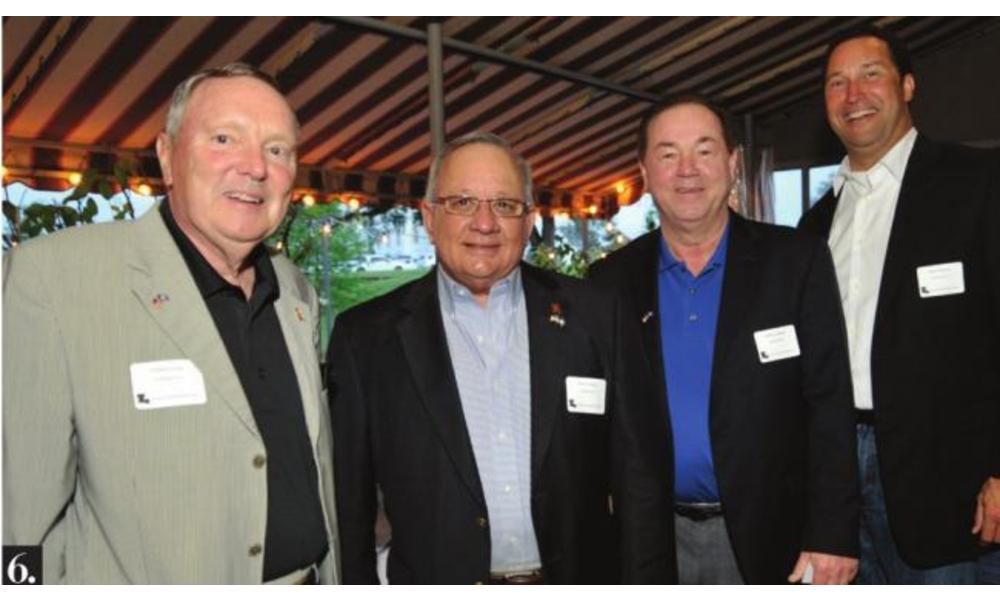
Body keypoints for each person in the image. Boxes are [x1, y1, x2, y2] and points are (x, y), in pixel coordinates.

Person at [2, 63, 339, 584]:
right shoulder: (56, 280)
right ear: (167, 156)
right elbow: (16, 517)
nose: (255, 167)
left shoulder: (295, 291)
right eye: (224, 139)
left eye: (277, 150)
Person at [328, 132, 628, 584]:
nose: (484, 223)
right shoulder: (365, 339)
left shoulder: (595, 315)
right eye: (463, 202)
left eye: (504, 205)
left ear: (528, 221)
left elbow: (637, 475)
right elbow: (351, 509)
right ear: (430, 218)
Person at [589, 94, 859, 584]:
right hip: (649, 541)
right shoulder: (609, 282)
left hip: (774, 540)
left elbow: (830, 403)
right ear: (644, 172)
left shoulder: (795, 262)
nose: (687, 170)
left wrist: (833, 533)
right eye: (668, 154)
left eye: (704, 150)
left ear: (733, 163)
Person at [799, 25, 1000, 584]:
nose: (853, 95)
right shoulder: (814, 226)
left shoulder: (979, 182)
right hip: (839, 479)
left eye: (870, 75)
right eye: (836, 82)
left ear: (907, 85)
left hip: (953, 490)